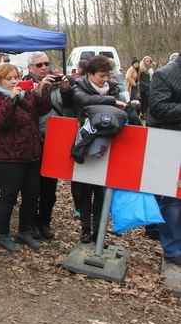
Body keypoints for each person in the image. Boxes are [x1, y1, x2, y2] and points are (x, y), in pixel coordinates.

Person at [71, 55, 139, 243]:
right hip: (85, 145)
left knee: (101, 191)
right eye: (101, 75)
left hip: (109, 148)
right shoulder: (80, 87)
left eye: (106, 75)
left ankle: (98, 230)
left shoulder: (114, 88)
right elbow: (83, 100)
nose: (104, 79)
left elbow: (121, 108)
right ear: (90, 74)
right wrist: (111, 102)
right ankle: (85, 228)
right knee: (84, 190)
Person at [0, 63, 52, 252]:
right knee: (9, 196)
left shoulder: (26, 93)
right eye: (9, 78)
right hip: (7, 155)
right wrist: (11, 100)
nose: (14, 81)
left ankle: (24, 231)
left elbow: (43, 110)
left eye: (16, 77)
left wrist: (40, 94)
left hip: (30, 153)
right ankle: (3, 234)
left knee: (32, 194)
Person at [22, 51, 73, 240]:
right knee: (31, 185)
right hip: (34, 139)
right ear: (30, 68)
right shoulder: (24, 85)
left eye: (46, 64)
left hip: (55, 138)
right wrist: (40, 90)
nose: (44, 68)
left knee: (50, 187)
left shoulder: (57, 84)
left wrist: (66, 89)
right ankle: (31, 223)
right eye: (39, 65)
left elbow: (71, 106)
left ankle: (45, 222)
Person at [147, 52, 181, 271]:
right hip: (170, 143)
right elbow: (157, 109)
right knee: (173, 199)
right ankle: (172, 249)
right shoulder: (164, 74)